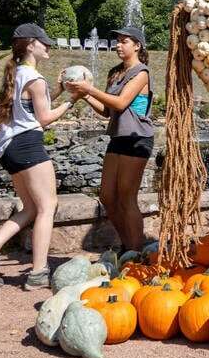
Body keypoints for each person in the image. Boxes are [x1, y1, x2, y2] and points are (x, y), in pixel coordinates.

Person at [0, 23, 77, 290]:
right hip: (28, 146)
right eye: (43, 42)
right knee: (48, 207)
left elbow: (30, 106)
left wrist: (59, 91)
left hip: (10, 147)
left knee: (30, 208)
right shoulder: (35, 79)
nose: (48, 46)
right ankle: (38, 272)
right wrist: (73, 100)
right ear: (30, 45)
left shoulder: (17, 73)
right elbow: (45, 117)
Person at [64, 26, 154, 252]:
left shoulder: (142, 73)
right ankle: (128, 245)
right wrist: (83, 95)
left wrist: (90, 89)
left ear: (137, 45)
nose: (118, 45)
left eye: (124, 41)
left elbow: (121, 103)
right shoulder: (116, 73)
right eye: (117, 41)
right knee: (106, 195)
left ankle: (136, 252)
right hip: (118, 136)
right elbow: (107, 110)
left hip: (137, 137)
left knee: (126, 196)